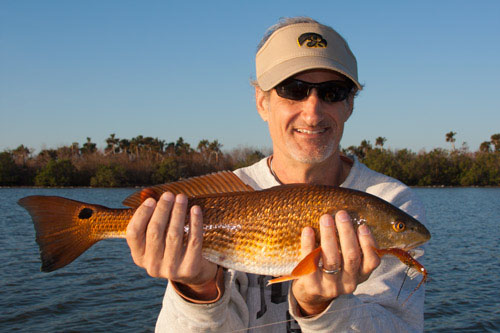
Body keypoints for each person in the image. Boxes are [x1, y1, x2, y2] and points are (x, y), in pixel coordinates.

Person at [126, 17, 427, 332]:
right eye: (293, 89)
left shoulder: (389, 200)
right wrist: (198, 290)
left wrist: (320, 307)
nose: (312, 112)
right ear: (261, 101)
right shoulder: (217, 200)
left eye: (333, 92)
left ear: (350, 104)